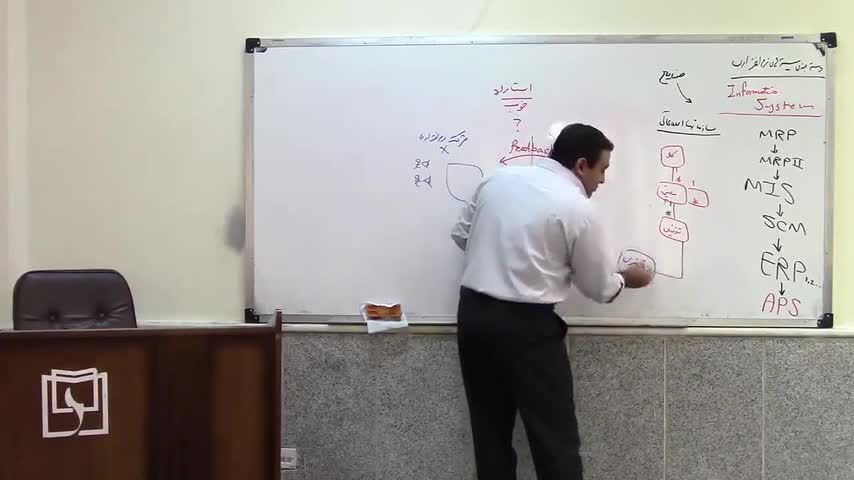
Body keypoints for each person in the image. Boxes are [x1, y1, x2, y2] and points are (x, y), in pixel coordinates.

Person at [450, 123, 653, 480]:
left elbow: (461, 235)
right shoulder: (577, 208)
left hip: (474, 317)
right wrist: (627, 277)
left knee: (489, 433)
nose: (603, 180)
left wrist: (503, 256)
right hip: (527, 329)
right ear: (581, 165)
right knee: (554, 438)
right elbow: (600, 288)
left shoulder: (497, 180)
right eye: (602, 169)